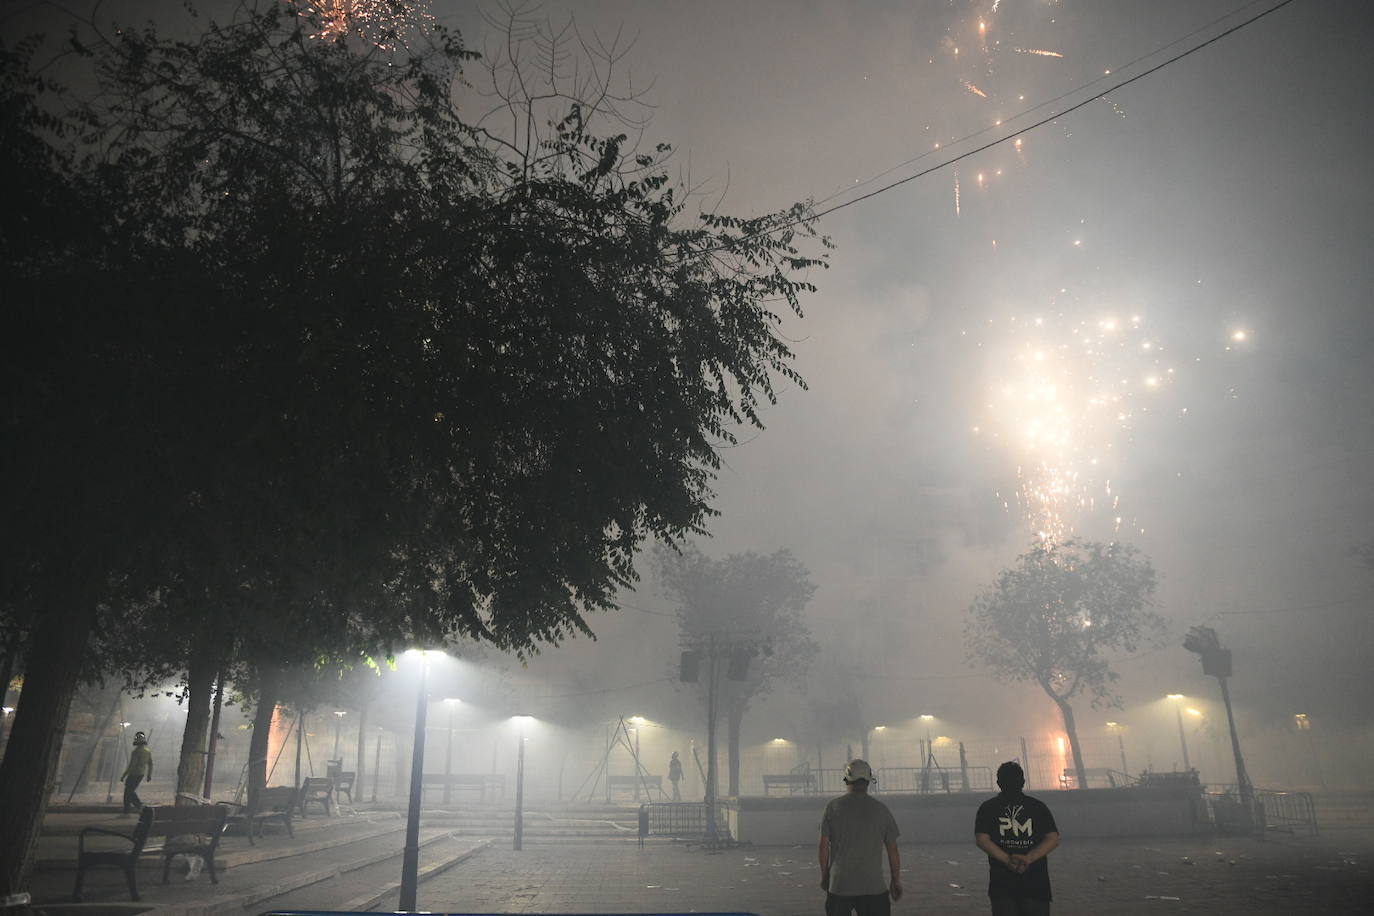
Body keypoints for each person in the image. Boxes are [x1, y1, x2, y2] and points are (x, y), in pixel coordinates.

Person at [974, 760, 1060, 916]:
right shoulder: (1038, 807)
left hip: (1002, 884)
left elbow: (982, 839)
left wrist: (1007, 860)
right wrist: (1029, 858)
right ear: (1023, 782)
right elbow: (1052, 839)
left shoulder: (988, 808)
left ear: (998, 782)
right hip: (1036, 883)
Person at [818, 759, 902, 916]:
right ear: (868, 781)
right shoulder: (881, 810)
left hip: (840, 886)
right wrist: (895, 880)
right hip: (873, 886)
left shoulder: (832, 807)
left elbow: (823, 846)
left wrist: (824, 876)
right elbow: (893, 849)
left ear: (847, 779)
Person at [121, 730, 153, 815]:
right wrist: (149, 775)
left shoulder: (135, 752)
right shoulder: (147, 751)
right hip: (141, 774)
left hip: (133, 774)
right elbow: (150, 764)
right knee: (129, 792)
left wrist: (124, 775)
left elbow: (132, 765)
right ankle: (127, 811)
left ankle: (139, 807)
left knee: (128, 792)